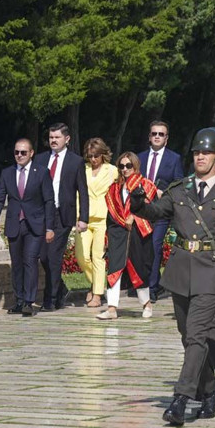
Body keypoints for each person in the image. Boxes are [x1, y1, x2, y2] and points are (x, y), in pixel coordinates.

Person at [131, 127, 215, 425]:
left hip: (213, 272)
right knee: (188, 338)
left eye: (206, 153)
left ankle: (181, 399)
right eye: (197, 152)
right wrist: (137, 202)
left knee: (197, 335)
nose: (200, 157)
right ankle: (209, 392)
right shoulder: (180, 189)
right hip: (182, 272)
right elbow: (154, 211)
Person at [0, 139, 55, 317]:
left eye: (23, 152)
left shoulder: (41, 173)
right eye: (17, 152)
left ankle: (28, 301)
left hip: (35, 225)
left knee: (30, 260)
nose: (19, 155)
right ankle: (18, 300)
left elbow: (49, 201)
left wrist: (50, 227)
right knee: (17, 263)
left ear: (31, 153)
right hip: (14, 224)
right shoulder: (7, 173)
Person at [35, 123, 89, 311]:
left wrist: (83, 217)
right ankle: (60, 290)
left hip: (62, 214)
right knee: (42, 256)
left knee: (54, 257)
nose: (53, 141)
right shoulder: (40, 160)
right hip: (42, 215)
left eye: (57, 137)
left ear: (67, 139)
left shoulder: (76, 161)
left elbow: (83, 190)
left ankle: (49, 299)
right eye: (51, 137)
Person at [96, 152, 156, 321]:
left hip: (138, 232)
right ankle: (112, 308)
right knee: (114, 268)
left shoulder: (145, 185)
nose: (124, 169)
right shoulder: (114, 188)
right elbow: (111, 214)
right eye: (121, 166)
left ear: (135, 166)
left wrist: (135, 217)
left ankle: (146, 304)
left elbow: (152, 211)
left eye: (128, 166)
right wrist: (108, 236)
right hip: (118, 232)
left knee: (139, 269)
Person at [138, 121, 185, 303]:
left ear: (166, 138)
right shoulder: (140, 157)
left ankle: (151, 288)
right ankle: (149, 282)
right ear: (149, 137)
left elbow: (179, 184)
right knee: (143, 247)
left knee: (155, 246)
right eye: (154, 133)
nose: (157, 136)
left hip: (161, 210)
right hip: (141, 210)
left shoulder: (174, 159)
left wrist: (163, 193)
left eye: (161, 134)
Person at [75, 138, 117, 309]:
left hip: (102, 217)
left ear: (103, 155)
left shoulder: (112, 170)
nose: (93, 159)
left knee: (98, 257)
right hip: (83, 217)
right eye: (90, 156)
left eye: (96, 156)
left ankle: (97, 294)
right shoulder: (82, 169)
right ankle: (97, 285)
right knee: (82, 256)